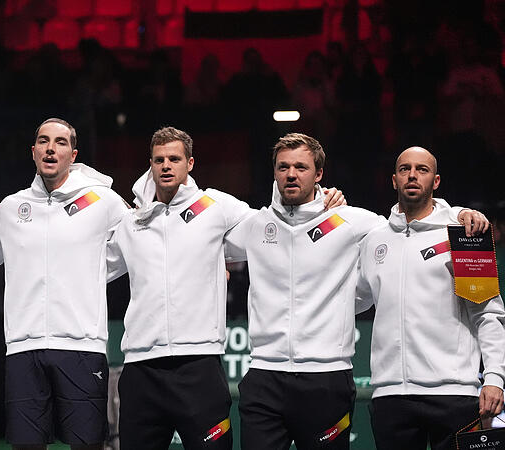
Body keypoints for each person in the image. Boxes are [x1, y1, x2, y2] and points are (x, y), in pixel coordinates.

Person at [224, 134, 486, 450]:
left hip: (331, 379)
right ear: (274, 172)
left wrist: (458, 214)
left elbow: (411, 221)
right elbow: (196, 230)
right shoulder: (255, 224)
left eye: (301, 167)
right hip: (267, 375)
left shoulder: (353, 222)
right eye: (283, 166)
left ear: (319, 174)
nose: (291, 174)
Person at [106, 128, 345, 449]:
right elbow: (93, 270)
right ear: (150, 164)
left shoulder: (216, 206)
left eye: (174, 159)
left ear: (189, 163)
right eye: (159, 160)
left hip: (199, 366)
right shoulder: (132, 222)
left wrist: (320, 202)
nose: (166, 166)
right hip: (139, 368)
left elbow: (277, 232)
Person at [0, 118, 130, 449]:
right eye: (43, 141)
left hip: (82, 347)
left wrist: (94, 270)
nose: (51, 148)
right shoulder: (10, 208)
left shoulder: (103, 202)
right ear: (34, 151)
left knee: (87, 445)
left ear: (73, 154)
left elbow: (141, 243)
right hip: (24, 348)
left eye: (61, 142)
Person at [356, 146, 505, 450]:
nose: (412, 175)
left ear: (436, 181)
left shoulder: (465, 234)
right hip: (390, 394)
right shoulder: (373, 240)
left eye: (422, 170)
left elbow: (488, 314)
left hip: (454, 393)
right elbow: (354, 301)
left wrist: (495, 378)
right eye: (404, 169)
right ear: (393, 180)